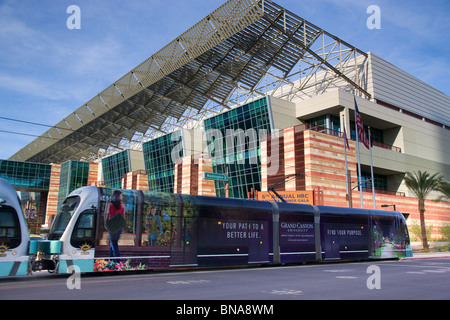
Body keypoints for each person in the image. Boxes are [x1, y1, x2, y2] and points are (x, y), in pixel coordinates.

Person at [104, 190, 126, 260]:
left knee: (113, 242)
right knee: (114, 242)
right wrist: (122, 227)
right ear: (118, 195)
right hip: (118, 226)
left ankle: (114, 260)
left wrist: (105, 223)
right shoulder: (123, 204)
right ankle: (114, 260)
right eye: (121, 195)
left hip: (112, 225)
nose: (122, 197)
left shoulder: (109, 203)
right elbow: (123, 217)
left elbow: (106, 214)